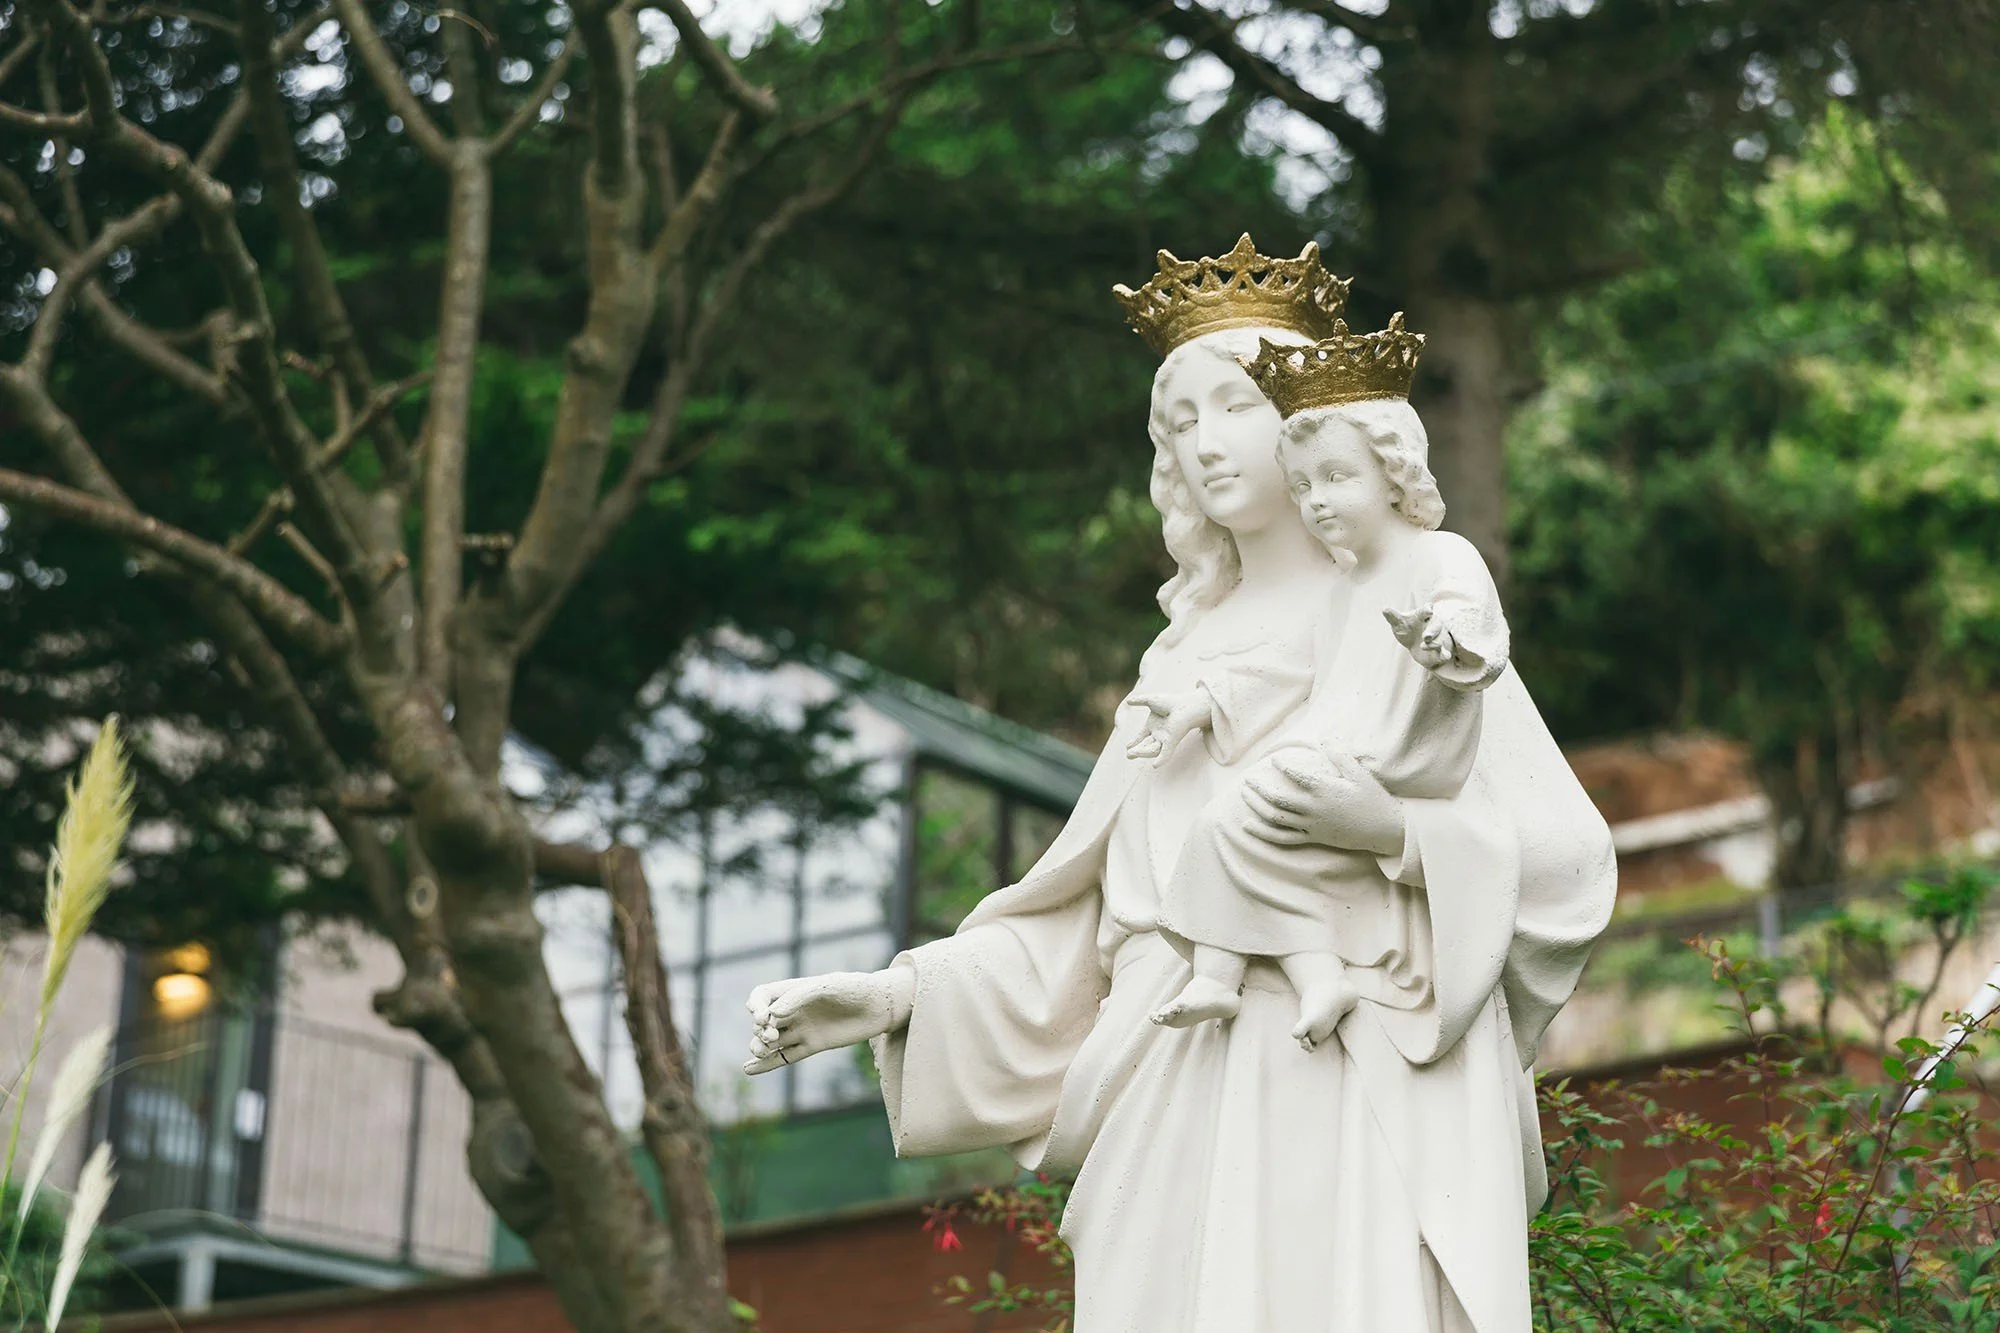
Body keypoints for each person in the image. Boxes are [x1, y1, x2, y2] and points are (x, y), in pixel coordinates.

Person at [744, 238, 1617, 1332]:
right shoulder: (1177, 661)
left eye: (1230, 406)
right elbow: (1086, 927)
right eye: (1176, 422)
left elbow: (1566, 865)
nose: (1202, 444)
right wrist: (900, 994)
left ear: (1307, 423)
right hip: (1169, 1075)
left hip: (1344, 1079)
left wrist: (1392, 831)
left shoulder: (1410, 609)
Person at [1143, 320, 1511, 1054]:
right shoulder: (1336, 595)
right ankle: (1266, 975)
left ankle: (1246, 973)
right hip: (1336, 749)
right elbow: (1289, 668)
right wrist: (1204, 702)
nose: (1315, 500)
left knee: (1237, 820)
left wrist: (1446, 640)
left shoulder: (1438, 554)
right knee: (1234, 831)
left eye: (1336, 478)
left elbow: (1471, 615)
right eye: (1305, 483)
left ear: (1392, 472)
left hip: (1388, 760)